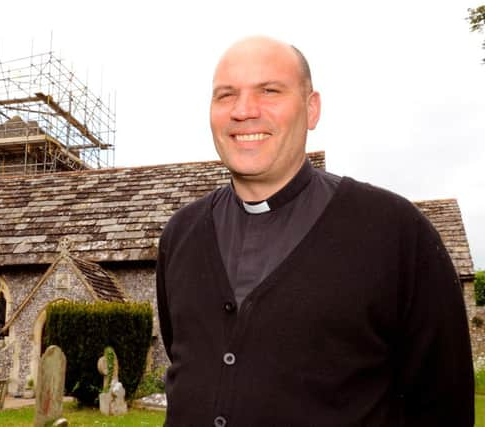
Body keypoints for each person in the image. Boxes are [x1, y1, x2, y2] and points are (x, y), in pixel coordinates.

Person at [156, 36, 474, 426]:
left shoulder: (396, 233)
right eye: (226, 96)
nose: (243, 111)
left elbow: (444, 405)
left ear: (311, 109)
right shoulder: (180, 235)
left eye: (269, 91)